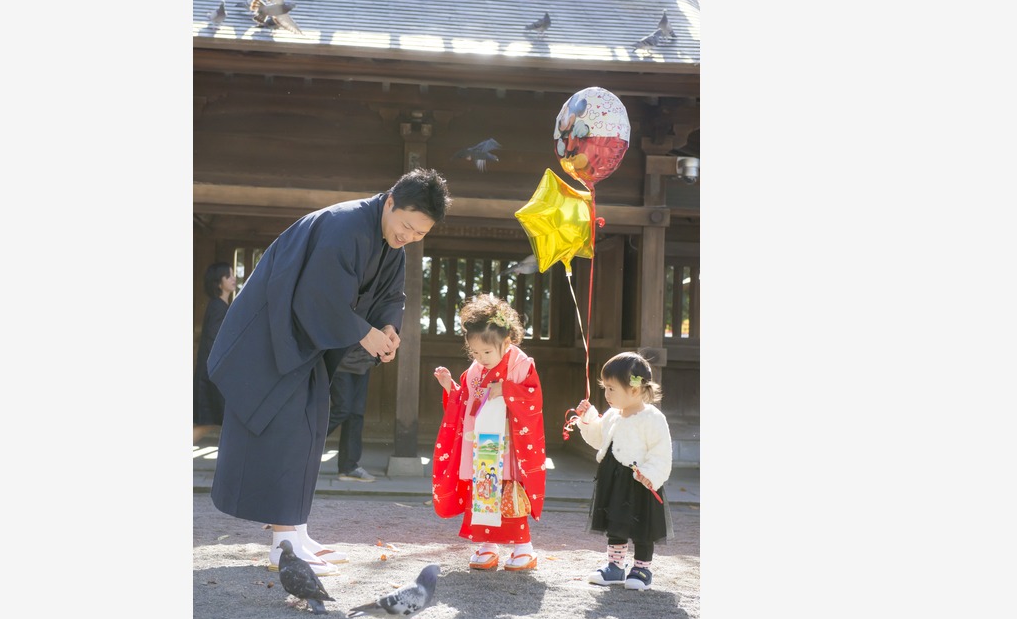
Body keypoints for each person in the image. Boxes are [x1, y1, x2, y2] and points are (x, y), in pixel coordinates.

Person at [208, 168, 451, 576]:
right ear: (390, 201)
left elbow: (393, 294)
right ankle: (283, 543)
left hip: (304, 345)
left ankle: (296, 533)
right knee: (286, 433)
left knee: (309, 429)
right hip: (274, 337)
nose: (408, 237)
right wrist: (363, 333)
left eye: (419, 233)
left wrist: (388, 328)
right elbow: (315, 298)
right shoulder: (345, 225)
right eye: (407, 226)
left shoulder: (391, 242)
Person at [431, 293, 546, 572]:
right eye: (475, 353)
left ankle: (524, 549)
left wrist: (506, 390)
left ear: (507, 343)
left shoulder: (520, 363)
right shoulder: (475, 369)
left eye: (486, 352)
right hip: (483, 444)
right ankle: (487, 545)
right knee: (482, 493)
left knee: (509, 496)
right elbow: (466, 402)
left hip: (509, 447)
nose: (481, 358)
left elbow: (532, 399)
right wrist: (450, 388)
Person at [572, 351, 674, 590]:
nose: (606, 394)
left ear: (635, 390)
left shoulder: (652, 418)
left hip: (639, 480)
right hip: (613, 477)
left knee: (642, 525)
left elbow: (661, 451)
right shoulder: (612, 415)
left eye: (611, 389)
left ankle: (641, 568)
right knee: (614, 521)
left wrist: (650, 474)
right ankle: (615, 566)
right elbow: (599, 437)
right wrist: (587, 417)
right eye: (605, 387)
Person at [193, 262, 235, 446]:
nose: (233, 279)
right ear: (219, 283)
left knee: (214, 421)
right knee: (212, 421)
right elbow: (214, 343)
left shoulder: (219, 306)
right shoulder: (218, 308)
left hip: (213, 374)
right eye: (229, 276)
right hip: (213, 375)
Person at [327, 365, 376, 482]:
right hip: (340, 361)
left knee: (356, 414)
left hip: (363, 362)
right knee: (342, 409)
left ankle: (348, 467)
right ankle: (301, 444)